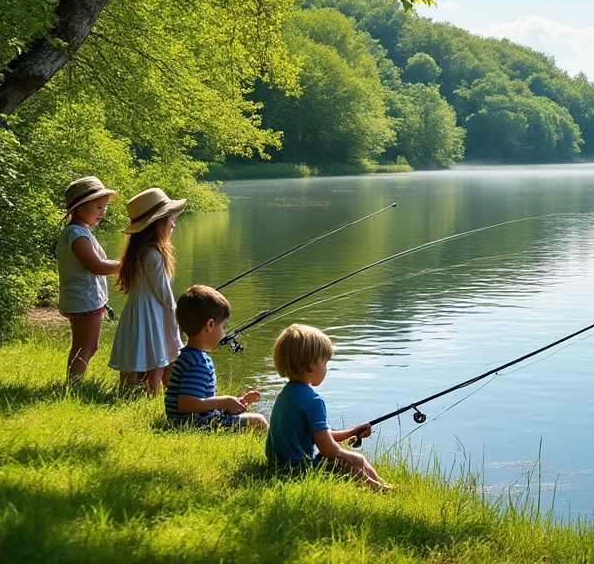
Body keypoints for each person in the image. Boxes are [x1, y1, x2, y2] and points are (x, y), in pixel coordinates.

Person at [265, 323, 389, 490]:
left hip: (279, 466)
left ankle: (383, 487)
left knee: (346, 455)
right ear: (310, 366)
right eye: (325, 363)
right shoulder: (313, 400)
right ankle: (382, 491)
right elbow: (327, 448)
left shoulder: (287, 394)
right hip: (298, 470)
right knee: (356, 460)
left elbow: (320, 435)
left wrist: (350, 433)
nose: (326, 369)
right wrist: (350, 457)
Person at [107, 188, 186, 394]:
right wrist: (176, 310)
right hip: (152, 312)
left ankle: (131, 389)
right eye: (170, 220)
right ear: (158, 224)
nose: (174, 224)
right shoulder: (153, 254)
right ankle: (152, 393)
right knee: (157, 357)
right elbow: (163, 292)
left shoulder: (140, 251)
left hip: (137, 310)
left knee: (139, 353)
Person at [164, 285, 268, 432]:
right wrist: (224, 402)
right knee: (259, 421)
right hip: (197, 424)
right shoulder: (197, 362)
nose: (224, 334)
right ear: (210, 325)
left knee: (244, 412)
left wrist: (233, 402)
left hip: (195, 419)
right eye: (223, 328)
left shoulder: (188, 356)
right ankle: (279, 453)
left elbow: (199, 399)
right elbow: (186, 403)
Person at [56, 177, 121, 380]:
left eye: (104, 208)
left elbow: (99, 263)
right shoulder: (76, 235)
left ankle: (73, 381)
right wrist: (129, 264)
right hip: (84, 299)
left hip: (82, 298)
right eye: (98, 207)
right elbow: (98, 266)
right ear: (80, 206)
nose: (103, 212)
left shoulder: (80, 232)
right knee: (87, 346)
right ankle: (74, 383)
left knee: (84, 345)